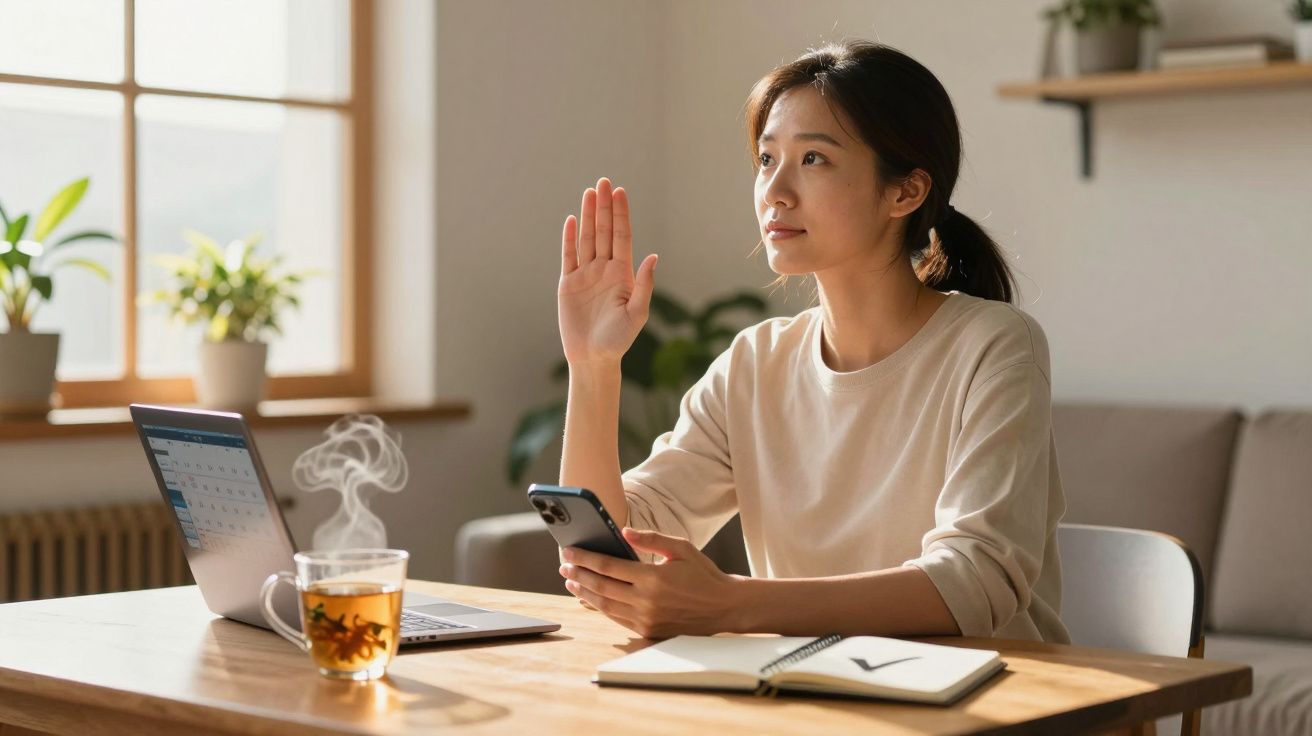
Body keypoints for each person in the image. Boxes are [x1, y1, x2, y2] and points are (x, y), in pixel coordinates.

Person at [554, 40, 1068, 644]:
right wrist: (593, 366)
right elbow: (621, 547)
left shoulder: (994, 346)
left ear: (905, 192)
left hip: (990, 700)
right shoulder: (753, 363)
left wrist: (733, 604)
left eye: (814, 160)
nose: (775, 190)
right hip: (808, 698)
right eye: (767, 159)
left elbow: (976, 581)